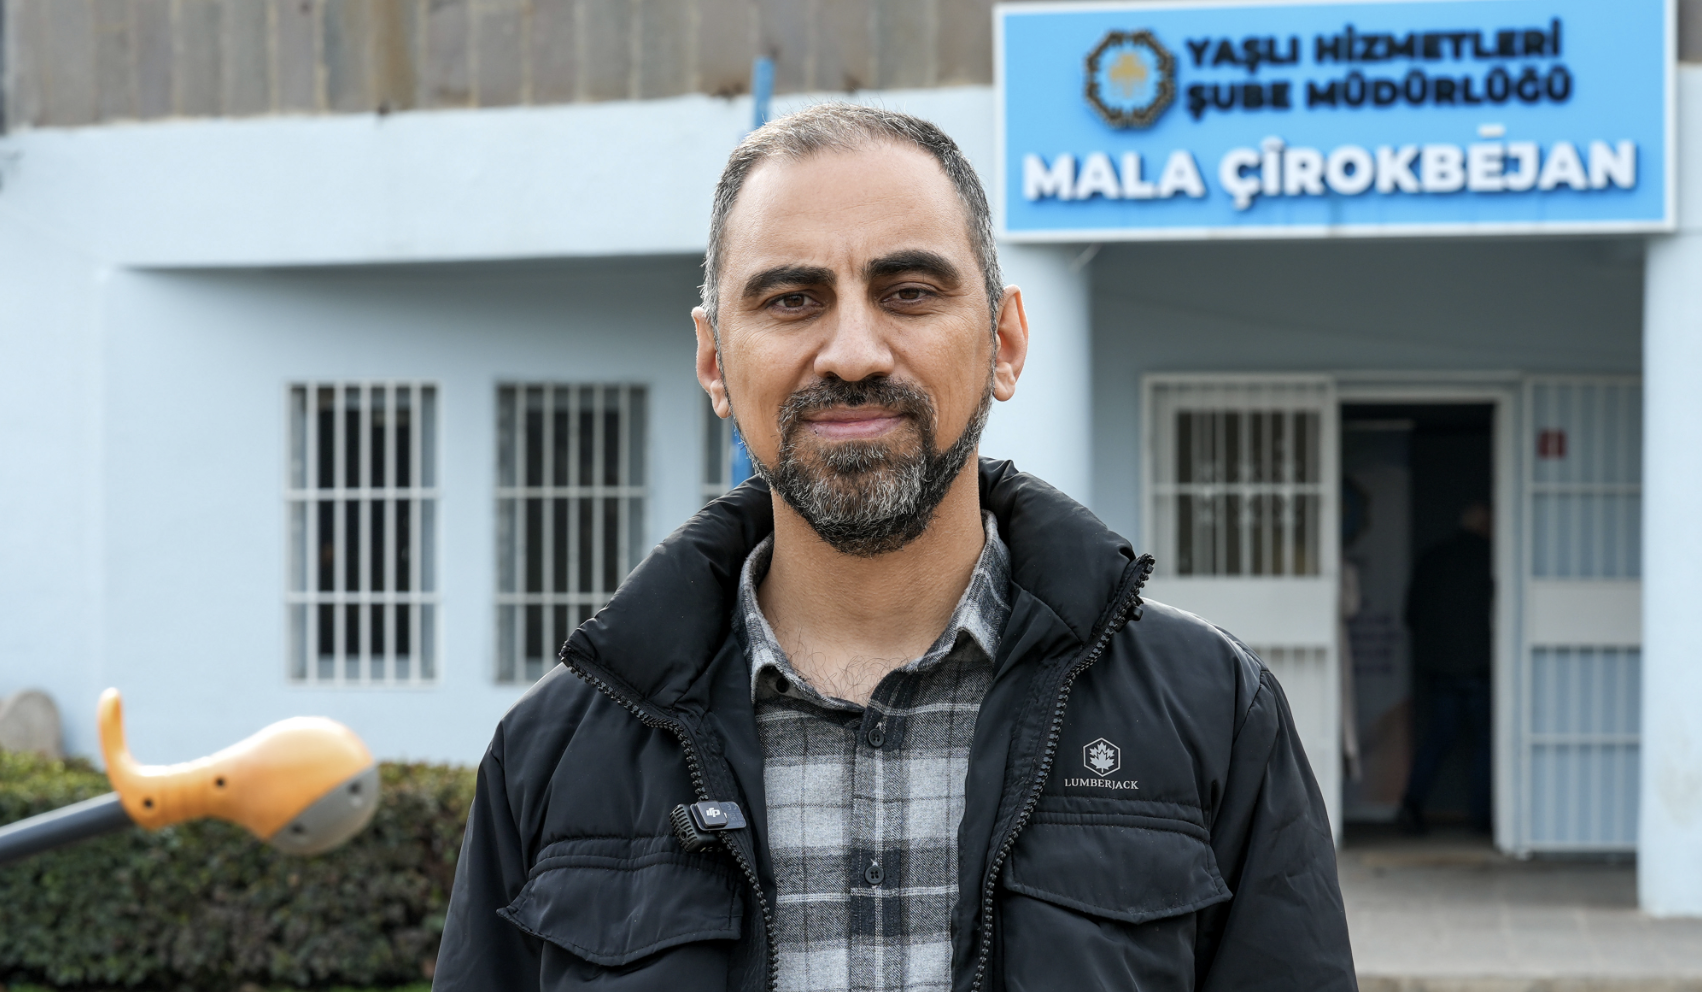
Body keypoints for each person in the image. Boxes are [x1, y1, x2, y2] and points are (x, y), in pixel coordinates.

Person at [432, 105, 1354, 992]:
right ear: (715, 361)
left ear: (1004, 341)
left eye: (908, 293)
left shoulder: (1212, 713)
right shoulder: (552, 753)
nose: (853, 353)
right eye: (792, 299)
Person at [1398, 501, 1494, 835]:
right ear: (1484, 525)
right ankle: (1485, 819)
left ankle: (1411, 805)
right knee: (1486, 743)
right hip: (1480, 666)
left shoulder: (1433, 558)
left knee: (1438, 738)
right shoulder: (1492, 559)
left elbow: (1411, 614)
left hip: (1439, 667)